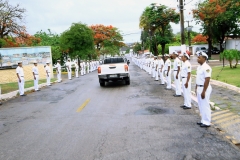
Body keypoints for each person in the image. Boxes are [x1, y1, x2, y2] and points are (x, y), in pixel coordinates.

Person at [195, 51, 212, 128]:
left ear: (204, 58)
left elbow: (207, 80)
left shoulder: (207, 68)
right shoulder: (199, 67)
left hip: (204, 88)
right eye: (198, 57)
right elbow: (198, 78)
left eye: (199, 57)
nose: (197, 59)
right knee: (201, 105)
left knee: (205, 105)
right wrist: (196, 87)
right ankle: (203, 120)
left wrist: (204, 91)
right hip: (199, 87)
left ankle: (207, 122)